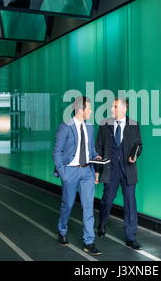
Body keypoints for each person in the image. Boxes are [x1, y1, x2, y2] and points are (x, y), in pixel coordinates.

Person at [52, 96, 102, 256]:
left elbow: (91, 150)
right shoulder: (65, 126)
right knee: (68, 204)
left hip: (87, 171)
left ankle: (89, 241)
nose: (91, 111)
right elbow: (57, 151)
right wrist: (63, 173)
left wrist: (96, 160)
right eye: (89, 108)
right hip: (70, 171)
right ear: (80, 109)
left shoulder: (90, 127)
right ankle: (62, 230)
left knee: (88, 207)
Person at [95, 98, 143, 250]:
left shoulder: (134, 125)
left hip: (128, 169)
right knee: (107, 200)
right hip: (111, 169)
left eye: (114, 107)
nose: (111, 110)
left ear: (123, 109)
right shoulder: (104, 125)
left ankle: (131, 236)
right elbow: (98, 148)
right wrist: (97, 171)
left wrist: (135, 155)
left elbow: (139, 145)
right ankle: (102, 225)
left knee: (130, 202)